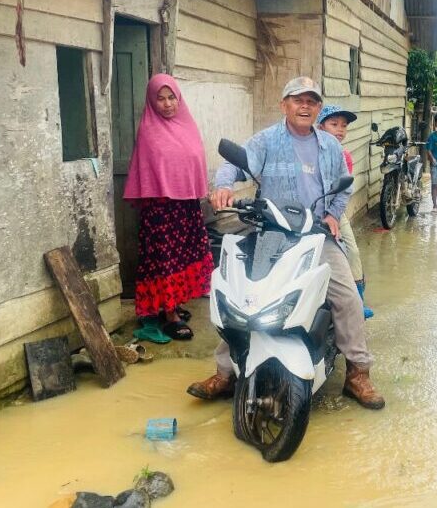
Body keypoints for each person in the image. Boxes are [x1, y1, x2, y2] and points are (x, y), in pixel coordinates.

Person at [187, 77, 385, 410]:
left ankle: (357, 372)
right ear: (285, 105)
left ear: (318, 108)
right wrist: (222, 187)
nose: (305, 106)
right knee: (241, 294)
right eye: (298, 100)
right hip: (271, 232)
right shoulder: (266, 141)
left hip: (314, 234)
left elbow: (343, 188)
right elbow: (233, 164)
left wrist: (334, 215)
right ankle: (226, 371)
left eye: (311, 101)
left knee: (347, 296)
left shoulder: (331, 146)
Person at [123, 74, 214, 342]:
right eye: (160, 98)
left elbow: (194, 161)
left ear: (178, 98)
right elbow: (150, 171)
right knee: (165, 259)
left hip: (185, 207)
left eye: (171, 97)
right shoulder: (149, 131)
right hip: (161, 210)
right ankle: (170, 314)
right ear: (152, 101)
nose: (167, 104)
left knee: (183, 256)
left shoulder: (188, 125)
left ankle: (173, 305)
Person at [316, 104, 374, 319]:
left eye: (344, 126)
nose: (340, 130)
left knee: (351, 251)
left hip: (334, 213)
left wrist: (333, 214)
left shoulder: (344, 156)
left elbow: (344, 191)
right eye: (334, 124)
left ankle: (357, 301)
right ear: (320, 126)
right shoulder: (306, 150)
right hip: (305, 213)